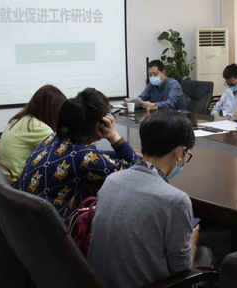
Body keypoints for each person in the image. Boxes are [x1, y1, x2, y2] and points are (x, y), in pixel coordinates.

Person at [88, 111, 209, 287]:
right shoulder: (175, 200)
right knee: (205, 254)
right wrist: (193, 239)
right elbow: (182, 270)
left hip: (99, 282)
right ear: (180, 153)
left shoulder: (111, 181)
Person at [16, 87, 138, 220]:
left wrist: (116, 155)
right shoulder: (84, 157)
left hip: (25, 220)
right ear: (100, 124)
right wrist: (112, 135)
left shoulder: (54, 138)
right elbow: (135, 168)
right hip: (52, 227)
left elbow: (93, 155)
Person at [0, 85, 67, 182]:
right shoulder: (38, 127)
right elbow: (63, 153)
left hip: (3, 181)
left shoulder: (19, 119)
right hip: (17, 184)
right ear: (53, 110)